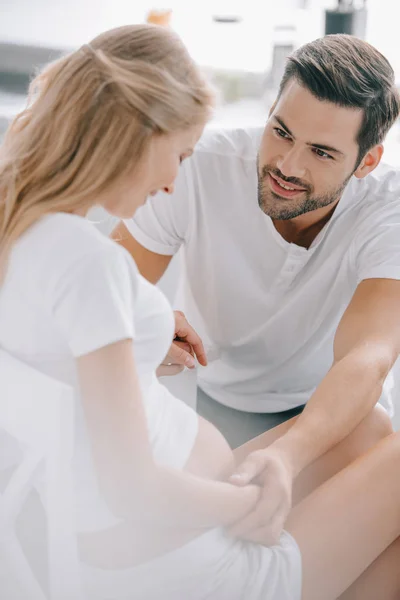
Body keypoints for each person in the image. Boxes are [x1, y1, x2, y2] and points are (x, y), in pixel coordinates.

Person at [0, 23, 400, 600]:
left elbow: (371, 356)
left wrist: (142, 328)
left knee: (372, 431)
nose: (287, 163)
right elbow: (131, 486)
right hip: (183, 541)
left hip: (186, 499)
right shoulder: (105, 258)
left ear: (366, 163)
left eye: (321, 152)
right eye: (280, 131)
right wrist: (249, 503)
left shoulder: (34, 241)